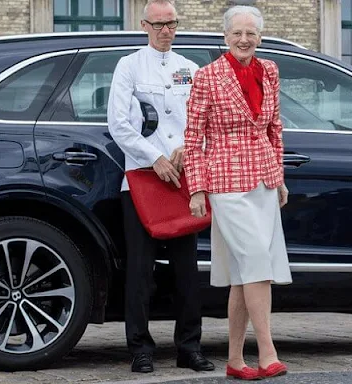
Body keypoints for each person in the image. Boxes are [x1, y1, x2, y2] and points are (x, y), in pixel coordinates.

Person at [183, 5, 292, 381]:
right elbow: (193, 137)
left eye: (251, 34)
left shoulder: (270, 71)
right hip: (226, 182)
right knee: (257, 262)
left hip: (262, 179)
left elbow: (274, 127)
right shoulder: (207, 76)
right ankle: (267, 352)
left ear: (259, 37)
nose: (244, 40)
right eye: (237, 34)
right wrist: (196, 188)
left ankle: (234, 359)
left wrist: (278, 177)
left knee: (245, 272)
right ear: (225, 37)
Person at [106, 0, 215, 374]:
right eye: (159, 24)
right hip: (142, 177)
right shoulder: (129, 66)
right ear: (144, 25)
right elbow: (119, 124)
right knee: (140, 270)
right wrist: (154, 158)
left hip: (184, 177)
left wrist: (188, 148)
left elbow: (203, 121)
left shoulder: (190, 68)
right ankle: (140, 348)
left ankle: (190, 346)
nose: (166, 30)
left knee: (187, 269)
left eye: (172, 24)